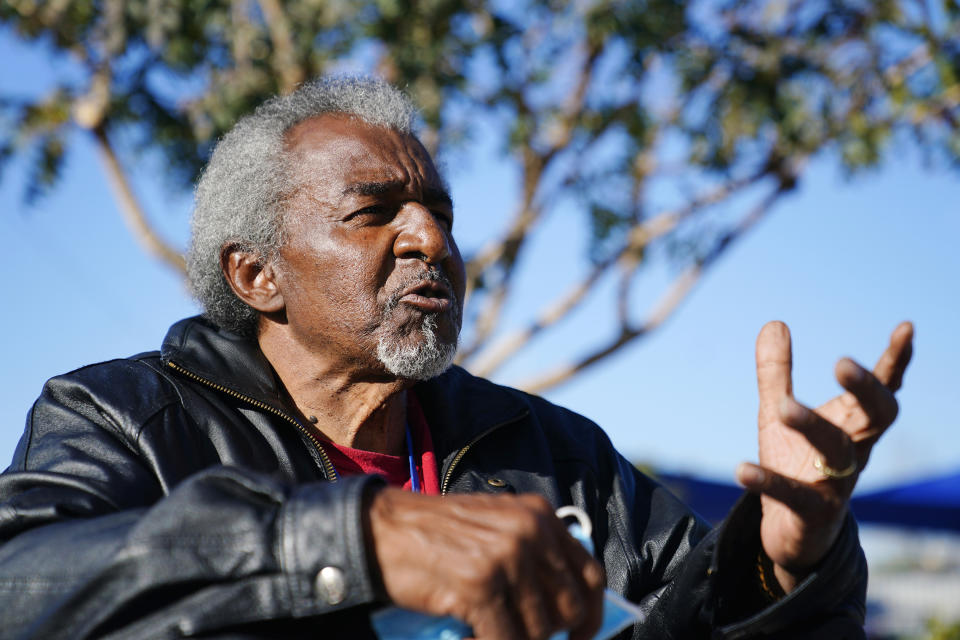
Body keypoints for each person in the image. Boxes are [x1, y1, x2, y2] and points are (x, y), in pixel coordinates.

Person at [0, 76, 912, 640]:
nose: (431, 239)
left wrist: (786, 559)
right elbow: (22, 587)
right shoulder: (124, 418)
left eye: (440, 211)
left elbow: (696, 620)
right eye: (376, 212)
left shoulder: (555, 453)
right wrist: (355, 542)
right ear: (257, 275)